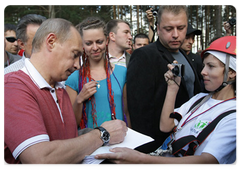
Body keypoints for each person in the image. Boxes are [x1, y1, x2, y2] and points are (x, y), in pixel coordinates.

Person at [95, 35, 237, 165]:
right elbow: (166, 126)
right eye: (204, 65)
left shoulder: (234, 116)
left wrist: (140, 159)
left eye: (211, 66)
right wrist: (172, 88)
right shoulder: (200, 99)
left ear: (231, 72)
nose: (203, 71)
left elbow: (207, 161)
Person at [2, 18, 127, 165]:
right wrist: (102, 134)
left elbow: (63, 139)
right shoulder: (13, 86)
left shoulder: (59, 87)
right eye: (74, 55)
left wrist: (91, 133)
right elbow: (40, 159)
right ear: (51, 42)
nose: (77, 65)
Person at [127, 3, 202, 154]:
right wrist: (148, 153)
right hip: (159, 147)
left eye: (181, 28)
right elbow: (139, 112)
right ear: (158, 27)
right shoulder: (144, 56)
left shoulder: (184, 54)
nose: (175, 34)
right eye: (168, 29)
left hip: (187, 142)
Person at [65, 17, 131, 131]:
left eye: (99, 42)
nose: (95, 48)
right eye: (89, 43)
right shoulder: (73, 78)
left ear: (106, 41)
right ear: (82, 45)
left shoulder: (122, 72)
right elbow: (72, 123)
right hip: (90, 144)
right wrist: (79, 99)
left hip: (120, 141)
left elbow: (126, 112)